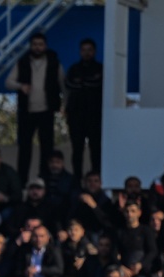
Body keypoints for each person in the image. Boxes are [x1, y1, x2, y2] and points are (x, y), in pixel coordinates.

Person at [6, 33, 65, 179]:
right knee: (25, 148)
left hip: (47, 111)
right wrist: (21, 86)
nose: (37, 47)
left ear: (45, 46)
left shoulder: (54, 62)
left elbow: (63, 85)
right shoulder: (23, 61)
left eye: (40, 44)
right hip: (27, 111)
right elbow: (8, 82)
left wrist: (64, 105)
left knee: (47, 148)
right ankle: (22, 181)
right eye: (35, 44)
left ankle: (44, 180)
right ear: (31, 46)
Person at [65, 38, 102, 182]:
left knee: (95, 149)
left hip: (94, 116)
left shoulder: (100, 68)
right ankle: (77, 179)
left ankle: (96, 176)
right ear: (80, 52)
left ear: (94, 51)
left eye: (89, 50)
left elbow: (96, 83)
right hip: (76, 116)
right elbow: (70, 84)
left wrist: (83, 82)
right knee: (77, 149)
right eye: (84, 50)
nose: (87, 53)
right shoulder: (74, 68)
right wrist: (86, 83)